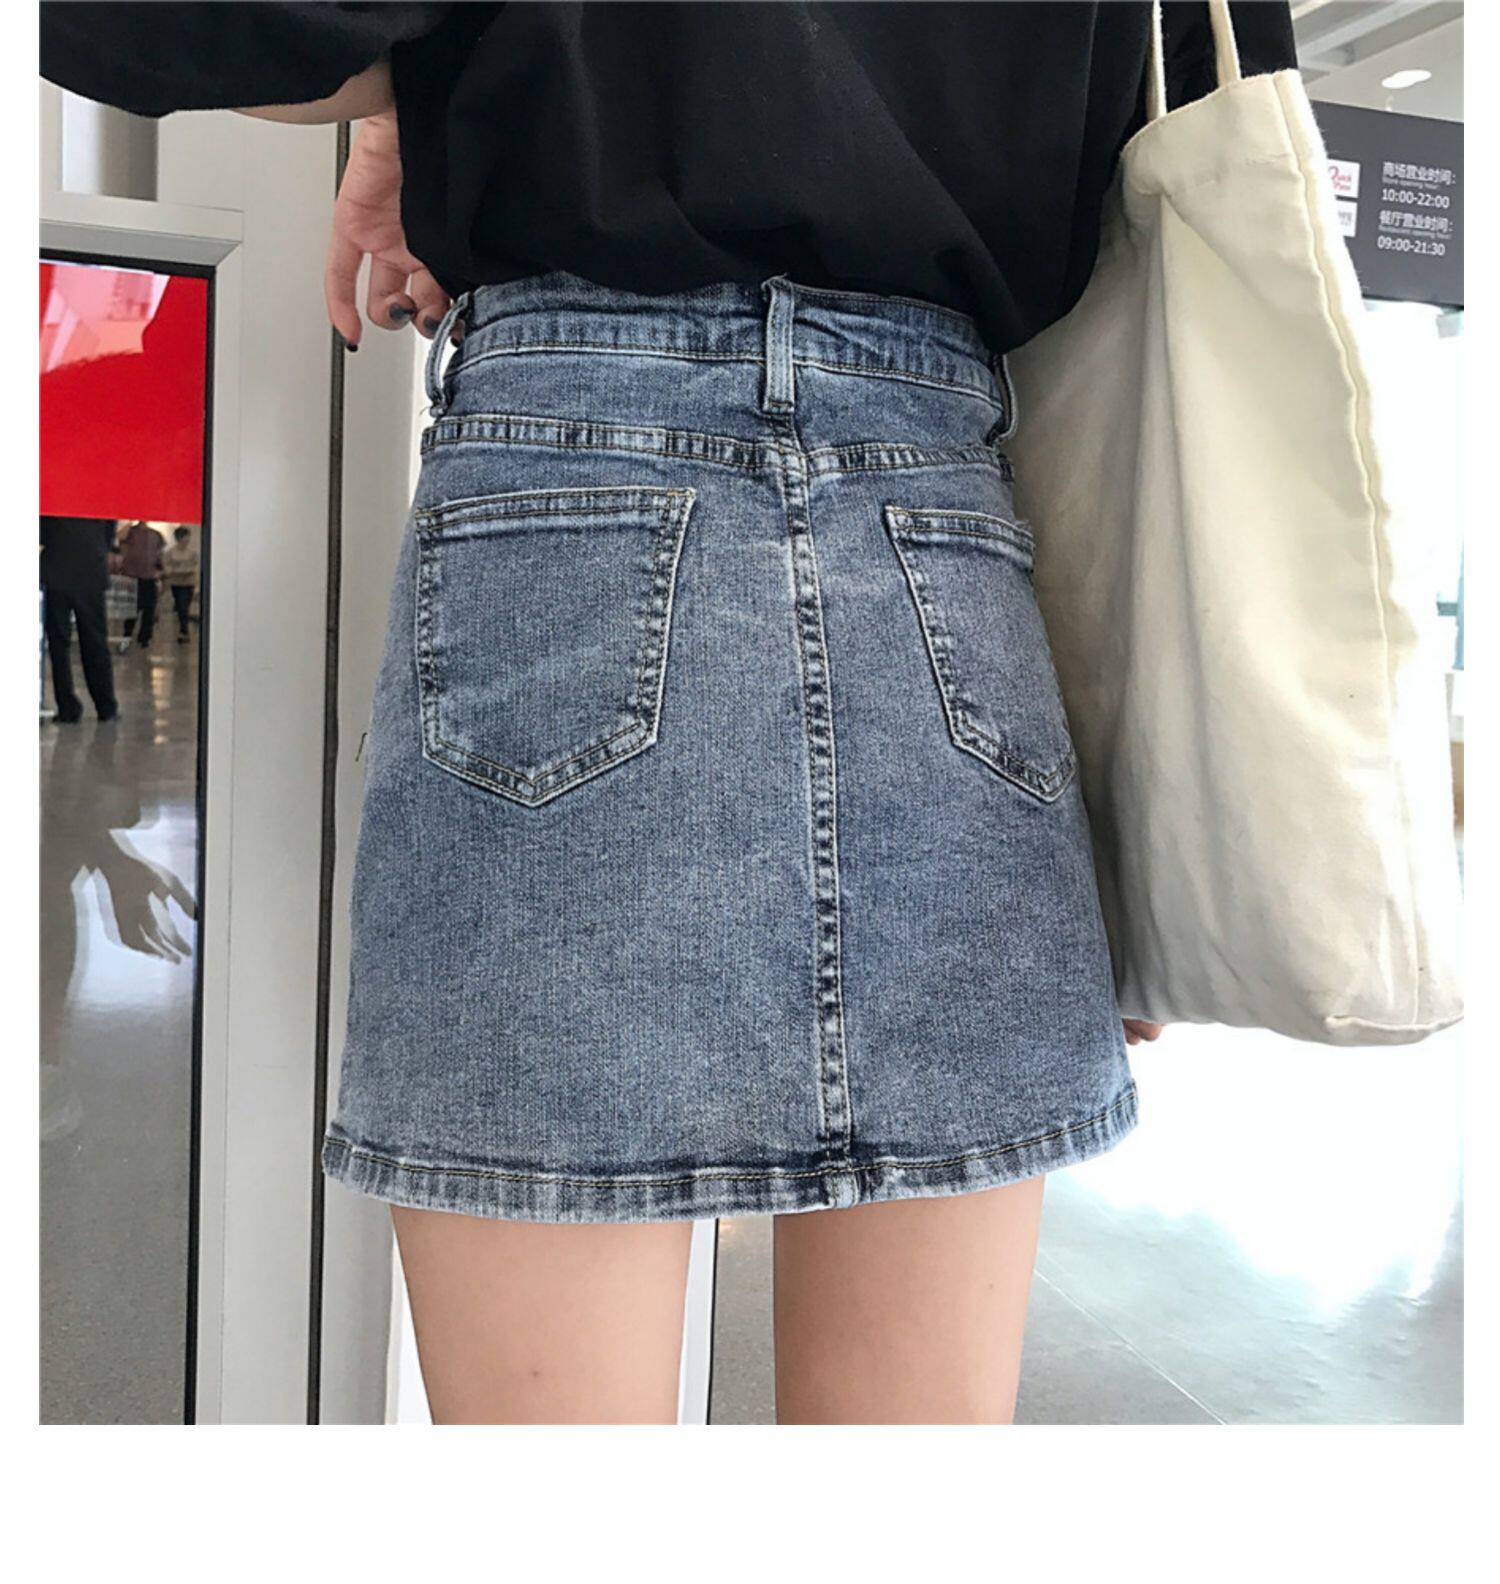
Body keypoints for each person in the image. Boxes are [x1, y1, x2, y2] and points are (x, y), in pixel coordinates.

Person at [41, 2, 1298, 1425]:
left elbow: (227, 27)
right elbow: (1183, 122)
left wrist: (424, 86)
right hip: (944, 528)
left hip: (580, 491)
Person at [39, 515, 119, 724]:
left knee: (58, 645)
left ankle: (67, 708)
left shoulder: (51, 502)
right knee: (95, 642)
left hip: (56, 572)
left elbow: (41, 534)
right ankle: (106, 707)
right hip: (90, 572)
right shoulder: (100, 502)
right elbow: (108, 533)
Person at [116, 519, 163, 647]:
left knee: (149, 609)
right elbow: (120, 540)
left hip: (148, 576)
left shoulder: (155, 535)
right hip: (133, 576)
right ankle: (128, 634)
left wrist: (159, 570)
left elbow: (159, 554)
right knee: (132, 609)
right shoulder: (129, 532)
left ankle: (144, 637)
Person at [160, 526, 200, 644]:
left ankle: (184, 631)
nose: (187, 540)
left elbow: (195, 566)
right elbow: (167, 568)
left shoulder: (192, 553)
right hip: (176, 583)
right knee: (180, 606)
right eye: (185, 537)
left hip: (188, 583)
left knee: (184, 606)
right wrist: (175, 571)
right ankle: (183, 629)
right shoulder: (170, 553)